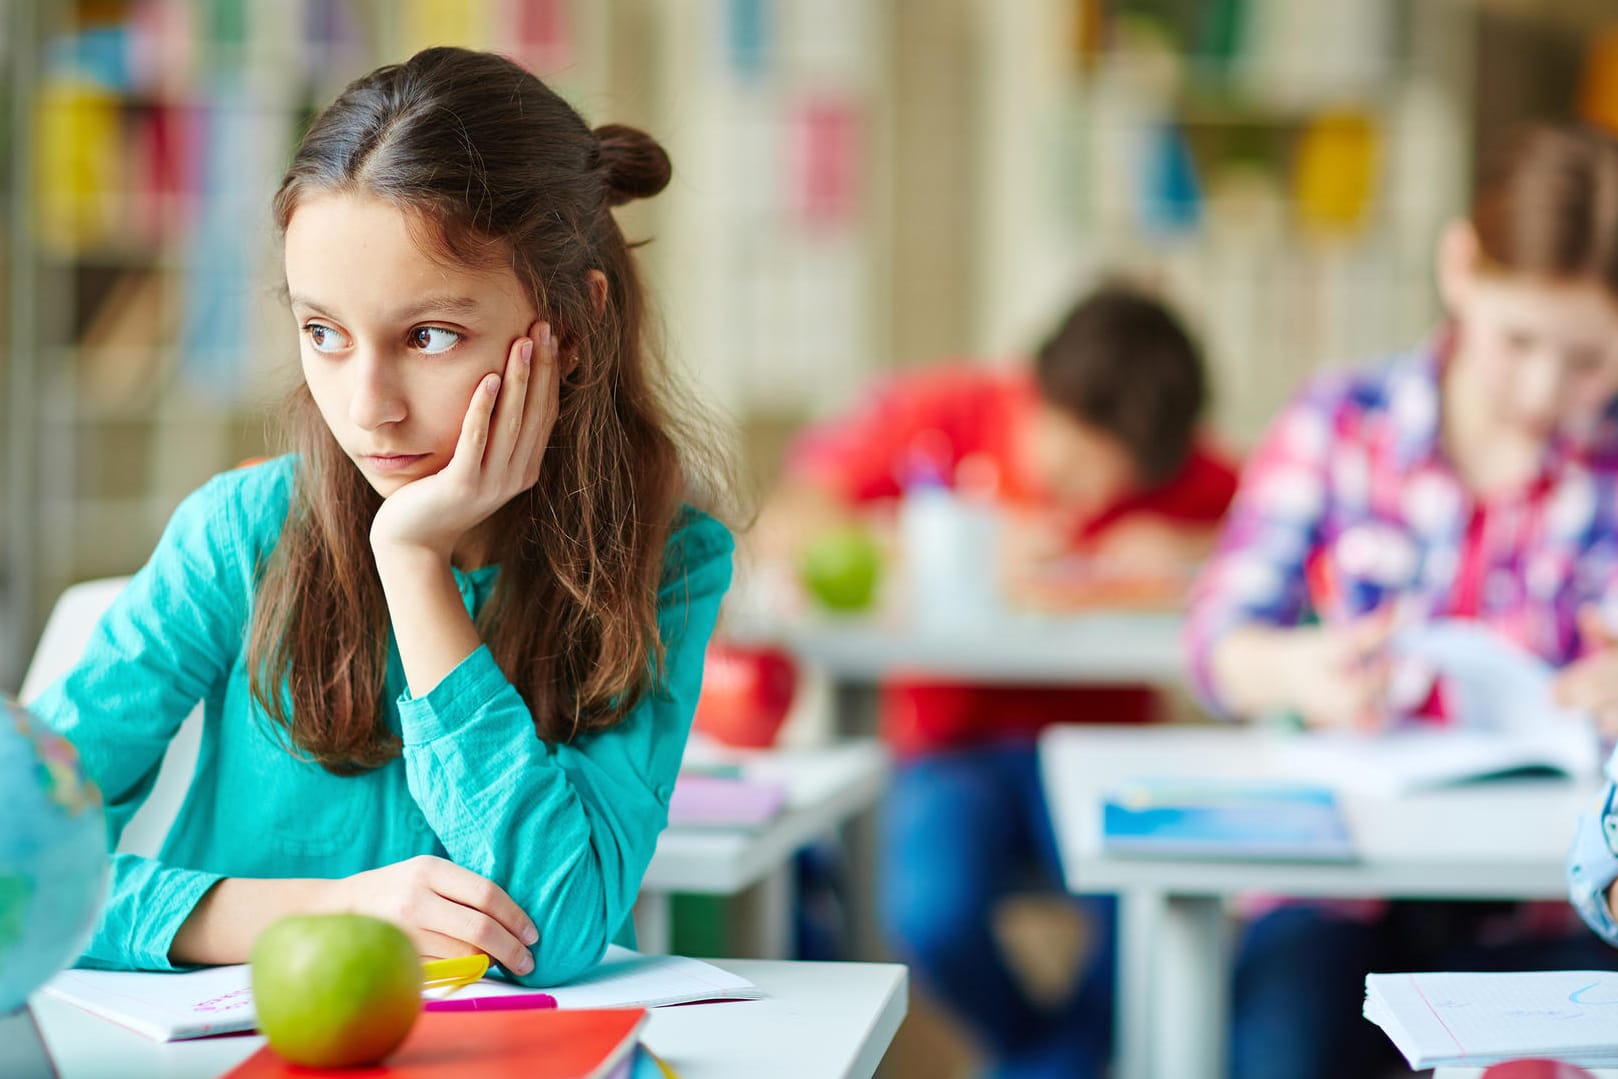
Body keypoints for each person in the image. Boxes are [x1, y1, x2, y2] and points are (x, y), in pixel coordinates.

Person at [31, 46, 733, 987]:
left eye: (429, 336)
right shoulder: (239, 531)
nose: (367, 407)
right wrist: (331, 910)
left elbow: (555, 924)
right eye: (322, 333)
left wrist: (412, 561)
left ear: (572, 328)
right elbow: (16, 868)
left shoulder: (669, 559)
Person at [1186, 124, 1618, 1079]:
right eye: (1518, 341)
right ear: (1460, 267)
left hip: (1552, 904)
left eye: (1588, 359)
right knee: (1279, 1052)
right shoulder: (1341, 423)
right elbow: (1216, 636)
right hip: (1334, 896)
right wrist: (1295, 668)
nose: (1545, 390)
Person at [762, 286, 1239, 1078]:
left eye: (1115, 485)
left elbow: (1290, 532)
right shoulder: (945, 412)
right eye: (1076, 466)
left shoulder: (1176, 464)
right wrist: (942, 549)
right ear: (1036, 391)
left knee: (1156, 916)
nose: (1091, 500)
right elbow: (792, 522)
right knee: (928, 911)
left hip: (1107, 750)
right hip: (954, 746)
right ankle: (1050, 1058)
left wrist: (1190, 550)